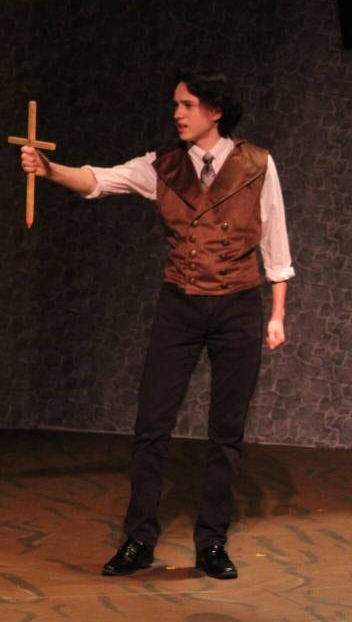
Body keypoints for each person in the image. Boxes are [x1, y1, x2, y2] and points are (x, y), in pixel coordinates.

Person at [20, 71, 294, 580]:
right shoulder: (162, 166)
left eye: (187, 104)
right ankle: (139, 539)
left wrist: (277, 312)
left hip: (237, 305)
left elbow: (276, 238)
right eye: (176, 104)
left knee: (226, 432)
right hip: (181, 305)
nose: (177, 113)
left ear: (215, 111)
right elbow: (99, 179)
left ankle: (212, 542)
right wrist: (50, 169)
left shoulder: (258, 164)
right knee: (151, 426)